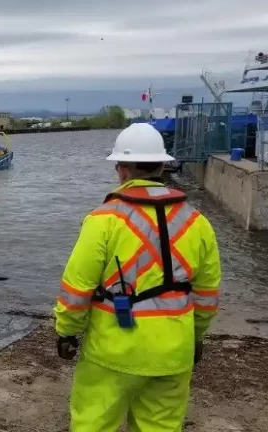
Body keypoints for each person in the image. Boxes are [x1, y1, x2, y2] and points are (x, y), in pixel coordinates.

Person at [54, 123, 221, 431]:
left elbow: (77, 289)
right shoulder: (197, 222)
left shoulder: (102, 220)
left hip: (112, 351)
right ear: (161, 165)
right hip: (175, 352)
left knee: (93, 424)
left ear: (123, 170)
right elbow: (207, 295)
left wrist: (67, 332)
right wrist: (195, 337)